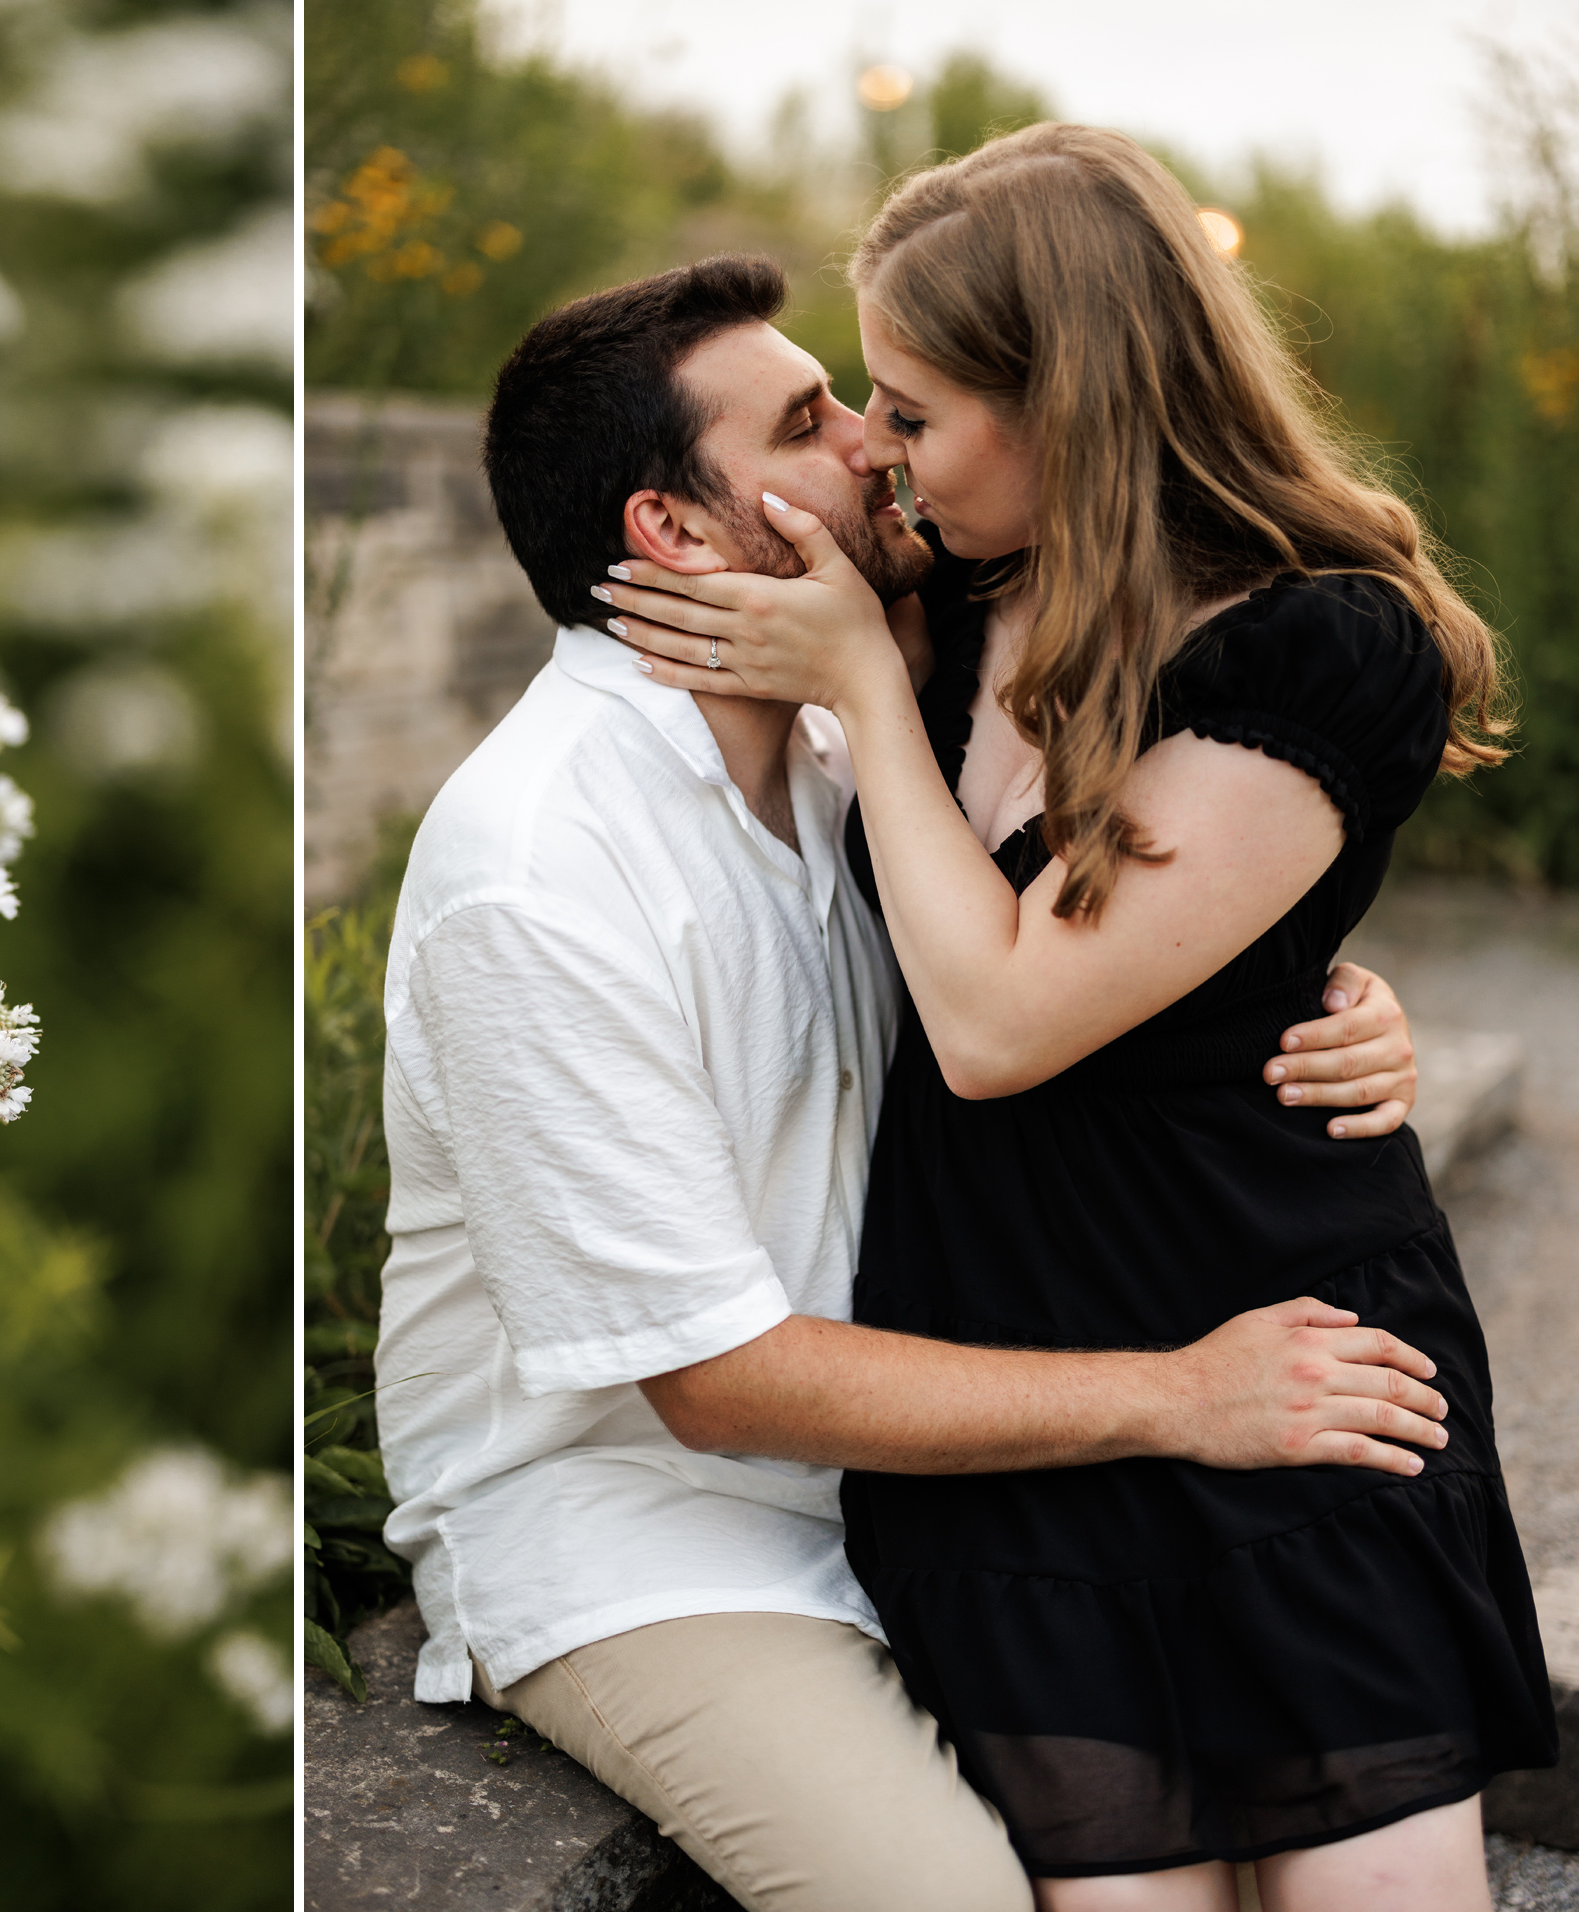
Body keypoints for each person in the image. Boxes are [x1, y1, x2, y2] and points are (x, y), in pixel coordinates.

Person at [372, 250, 1443, 1912]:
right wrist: (1179, 1395)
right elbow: (713, 1386)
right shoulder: (542, 867)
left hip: (925, 1485)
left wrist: (1331, 994)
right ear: (675, 532)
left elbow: (1094, 938)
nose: (874, 445)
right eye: (810, 422)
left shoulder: (848, 735)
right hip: (649, 1529)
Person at [599, 125, 1556, 1910]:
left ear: (1076, 406)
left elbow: (1000, 1023)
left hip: (1287, 1357)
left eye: (913, 409)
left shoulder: (1320, 644)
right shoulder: (944, 592)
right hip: (1023, 1395)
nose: (878, 453)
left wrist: (872, 703)